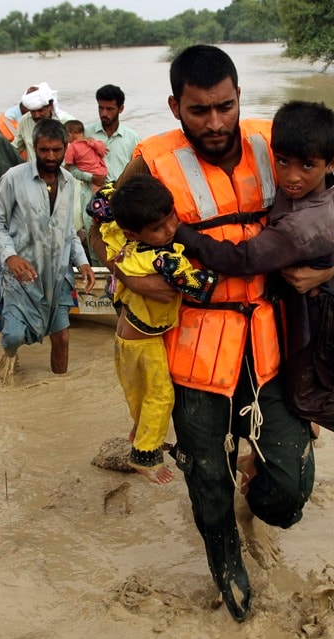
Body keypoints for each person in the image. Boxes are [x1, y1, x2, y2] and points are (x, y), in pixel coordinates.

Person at [92, 45, 323, 622]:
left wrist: (330, 263)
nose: (215, 123)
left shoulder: (277, 143)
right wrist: (127, 275)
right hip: (194, 347)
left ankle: (260, 486)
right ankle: (227, 570)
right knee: (207, 482)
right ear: (175, 107)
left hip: (270, 340)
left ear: (240, 96)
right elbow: (100, 226)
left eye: (224, 106)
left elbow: (332, 201)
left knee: (291, 494)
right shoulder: (151, 159)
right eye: (199, 111)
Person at [173, 101, 334, 465]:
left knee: (309, 397)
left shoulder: (301, 224)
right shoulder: (328, 181)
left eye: (307, 166)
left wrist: (178, 230)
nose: (291, 177)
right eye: (283, 161)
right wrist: (328, 265)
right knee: (316, 382)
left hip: (318, 310)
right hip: (318, 292)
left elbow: (240, 260)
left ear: (329, 163)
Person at [105, 175, 220, 484]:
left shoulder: (124, 242)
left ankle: (138, 433)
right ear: (134, 232)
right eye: (158, 228)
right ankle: (144, 455)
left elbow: (102, 213)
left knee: (140, 394)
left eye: (172, 219)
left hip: (129, 337)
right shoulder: (163, 262)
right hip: (144, 342)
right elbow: (201, 288)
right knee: (160, 396)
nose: (170, 230)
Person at [0, 119, 94, 382]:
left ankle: (60, 390)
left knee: (63, 337)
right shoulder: (13, 178)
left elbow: (68, 230)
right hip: (22, 273)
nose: (50, 156)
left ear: (65, 147)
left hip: (57, 276)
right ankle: (8, 359)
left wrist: (82, 262)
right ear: (34, 147)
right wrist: (10, 256)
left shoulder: (69, 182)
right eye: (44, 150)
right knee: (13, 337)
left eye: (56, 150)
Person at [87, 84, 141, 184]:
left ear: (121, 109)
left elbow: (138, 172)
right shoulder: (86, 133)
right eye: (101, 108)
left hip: (119, 196)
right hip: (90, 197)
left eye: (109, 109)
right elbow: (71, 167)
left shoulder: (132, 138)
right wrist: (90, 177)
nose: (104, 113)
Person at [11, 82, 75, 161]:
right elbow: (15, 149)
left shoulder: (68, 122)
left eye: (40, 110)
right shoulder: (24, 121)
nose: (36, 115)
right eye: (32, 111)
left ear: (50, 105)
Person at [64, 119, 108, 193]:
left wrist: (64, 170)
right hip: (102, 171)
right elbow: (103, 151)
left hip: (92, 175)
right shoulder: (91, 142)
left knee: (96, 196)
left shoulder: (72, 147)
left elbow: (68, 163)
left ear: (69, 135)